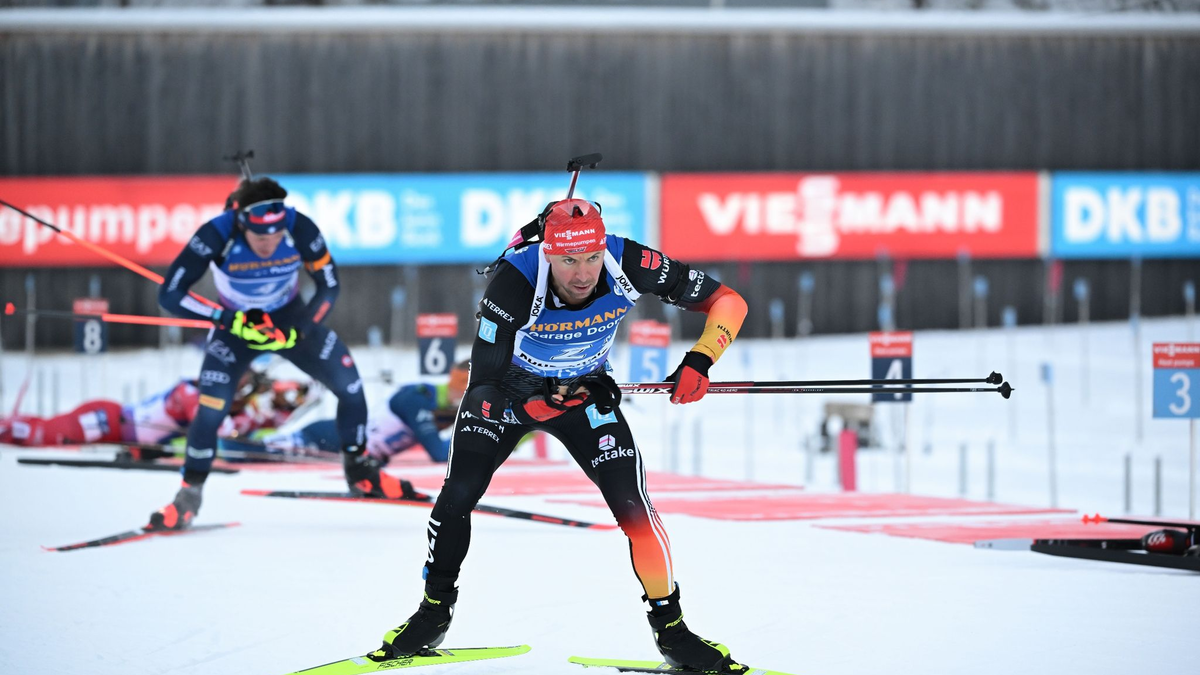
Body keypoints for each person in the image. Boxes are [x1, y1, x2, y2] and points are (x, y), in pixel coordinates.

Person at [372, 198, 748, 672]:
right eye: (568, 260)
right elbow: (483, 384)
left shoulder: (630, 261)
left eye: (592, 257)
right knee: (458, 494)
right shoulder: (514, 282)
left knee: (635, 509)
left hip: (584, 393)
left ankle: (672, 632)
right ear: (547, 253)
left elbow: (729, 301)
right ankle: (433, 612)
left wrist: (701, 358)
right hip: (508, 394)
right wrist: (526, 407)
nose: (583, 274)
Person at [149, 176, 401, 531]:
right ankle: (188, 496)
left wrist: (300, 329)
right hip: (236, 328)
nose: (269, 244)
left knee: (351, 388)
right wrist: (225, 319)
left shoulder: (299, 227)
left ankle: (360, 471)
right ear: (242, 224)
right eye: (259, 238)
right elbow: (170, 295)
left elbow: (329, 286)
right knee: (211, 409)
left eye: (276, 236)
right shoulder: (217, 233)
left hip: (290, 322)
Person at [255, 361, 469, 464]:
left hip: (340, 445)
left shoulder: (431, 402)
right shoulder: (418, 398)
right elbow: (439, 453)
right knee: (251, 451)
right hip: (324, 439)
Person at [0, 371, 284, 448]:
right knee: (40, 435)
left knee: (41, 429)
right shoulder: (189, 394)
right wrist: (251, 412)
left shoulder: (201, 394)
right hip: (107, 421)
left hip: (116, 429)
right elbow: (217, 428)